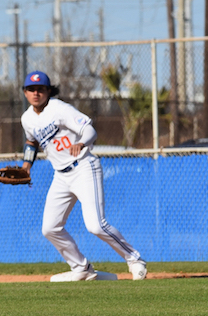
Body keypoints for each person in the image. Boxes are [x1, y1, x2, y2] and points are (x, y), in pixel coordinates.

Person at [18, 71, 148, 281]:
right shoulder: (27, 119)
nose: (36, 93)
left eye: (40, 89)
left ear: (48, 91)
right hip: (60, 176)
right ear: (24, 92)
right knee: (50, 228)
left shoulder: (59, 108)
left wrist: (82, 143)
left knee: (96, 225)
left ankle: (134, 259)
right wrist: (26, 166)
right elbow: (31, 142)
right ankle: (82, 268)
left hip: (84, 168)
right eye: (31, 89)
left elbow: (89, 129)